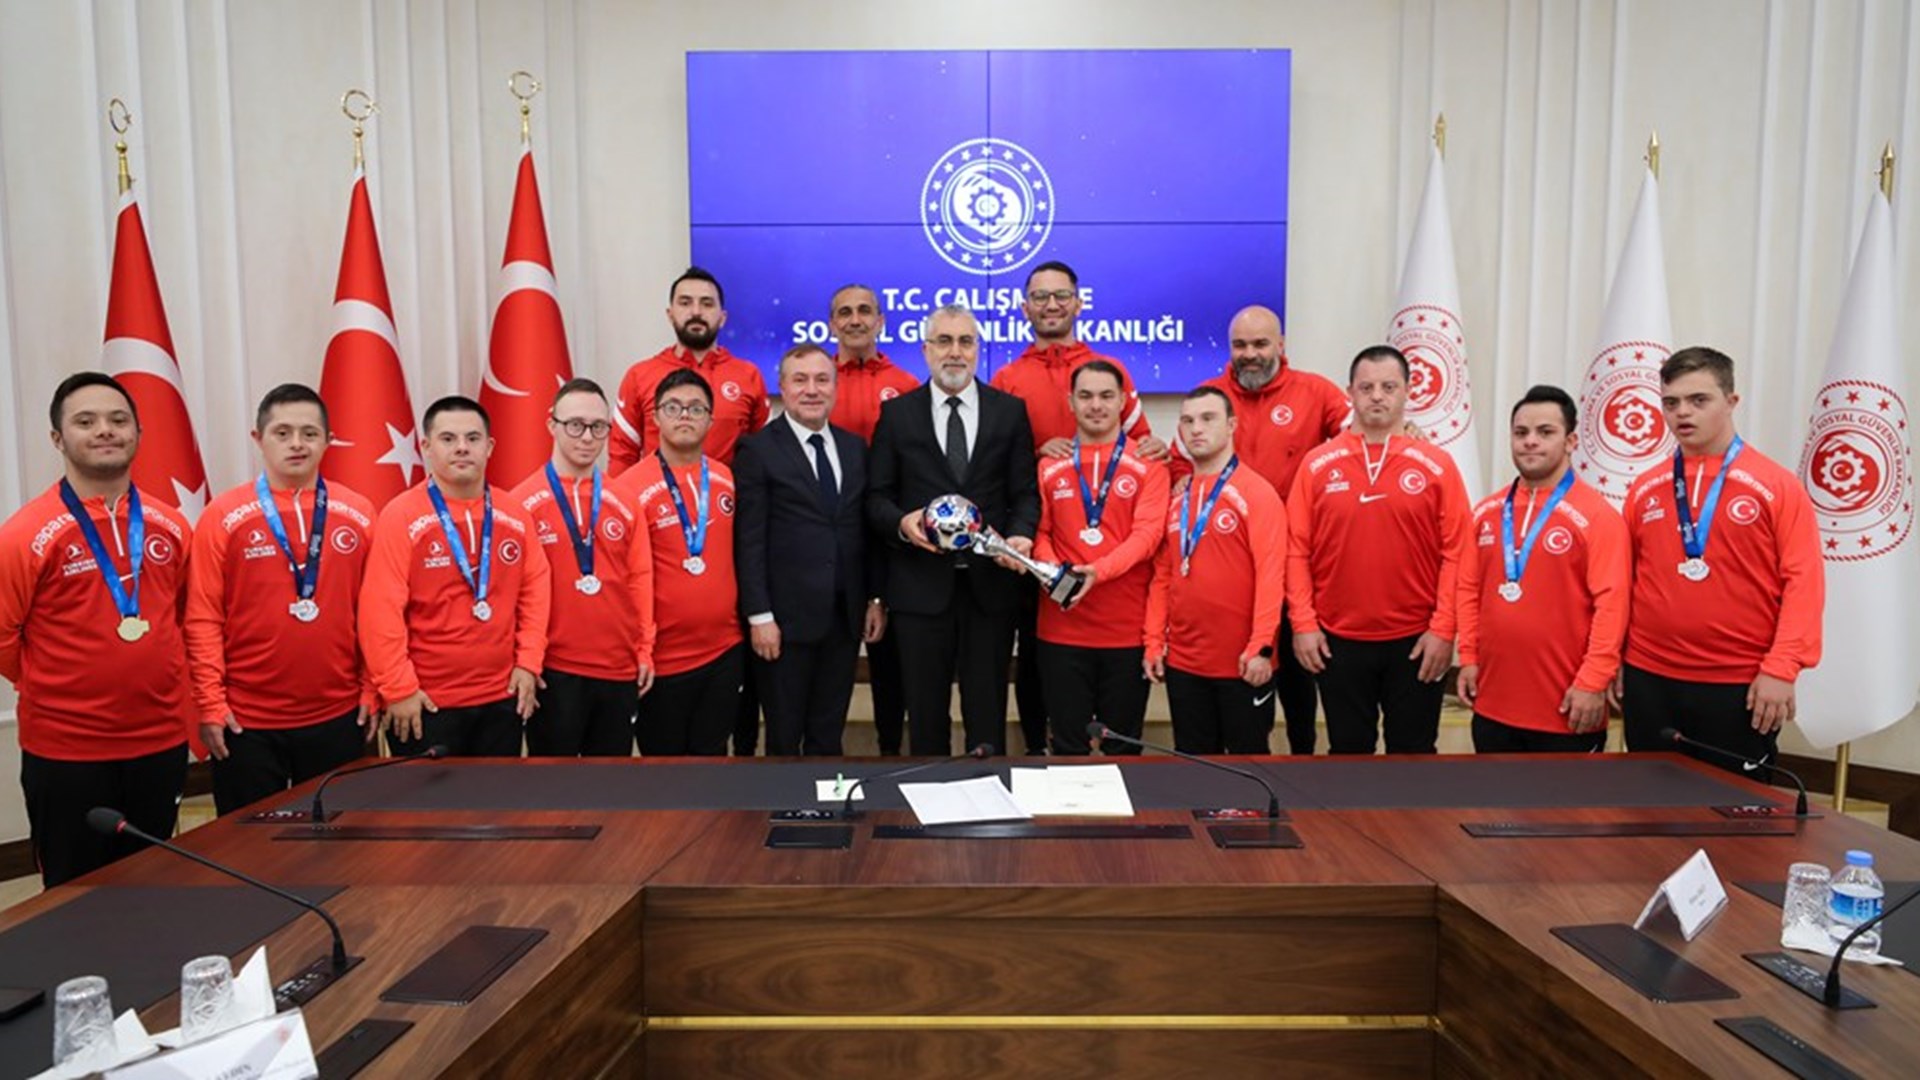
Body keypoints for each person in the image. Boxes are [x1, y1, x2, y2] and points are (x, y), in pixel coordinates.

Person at [0, 373, 193, 885]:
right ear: (58, 439)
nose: (105, 430)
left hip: (159, 743)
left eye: (118, 420)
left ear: (138, 433)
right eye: (85, 422)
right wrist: (57, 680)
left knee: (154, 882)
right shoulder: (24, 534)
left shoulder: (171, 524)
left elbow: (178, 616)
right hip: (68, 752)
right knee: (73, 893)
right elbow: (3, 637)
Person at [1615, 347, 1823, 771]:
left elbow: (1804, 582)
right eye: (1670, 403)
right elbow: (1624, 583)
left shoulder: (1776, 486)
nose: (1681, 413)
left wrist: (1781, 669)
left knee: (1735, 821)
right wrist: (1615, 660)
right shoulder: (1645, 487)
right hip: (1649, 678)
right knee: (1646, 810)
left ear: (1731, 402)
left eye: (1698, 400)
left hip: (1737, 683)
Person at [992, 260, 1168, 754]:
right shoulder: (1008, 377)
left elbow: (1140, 446)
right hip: (1038, 545)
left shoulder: (1110, 368)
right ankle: (1036, 749)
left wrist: (1157, 449)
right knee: (1037, 657)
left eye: (1061, 295)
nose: (1051, 305)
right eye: (1041, 297)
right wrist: (1037, 457)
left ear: (1078, 302)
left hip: (1108, 579)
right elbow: (1000, 462)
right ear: (1025, 307)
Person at [185, 384, 379, 815]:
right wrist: (211, 704)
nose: (297, 444)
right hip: (247, 722)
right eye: (283, 432)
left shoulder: (360, 512)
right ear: (258, 439)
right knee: (251, 851)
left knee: (340, 846)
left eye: (310, 433)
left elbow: (376, 614)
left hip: (340, 713)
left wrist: (371, 688)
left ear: (328, 440)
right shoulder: (223, 515)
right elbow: (202, 617)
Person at [867, 304, 1040, 756]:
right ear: (925, 350)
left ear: (978, 350)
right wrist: (903, 525)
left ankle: (990, 812)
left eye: (965, 341)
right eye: (944, 341)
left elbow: (1025, 493)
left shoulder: (1010, 412)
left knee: (987, 716)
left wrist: (1020, 536)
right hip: (920, 591)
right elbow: (876, 498)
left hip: (991, 589)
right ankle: (928, 814)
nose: (955, 352)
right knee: (924, 716)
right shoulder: (897, 415)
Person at [1183, 305, 1350, 754]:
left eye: (1260, 344)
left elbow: (1360, 434)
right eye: (1240, 345)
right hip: (1232, 570)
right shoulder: (1210, 396)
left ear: (1281, 345)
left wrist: (1405, 431)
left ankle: (1301, 757)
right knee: (1242, 689)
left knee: (1297, 677)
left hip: (1296, 563)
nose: (1250, 354)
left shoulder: (1316, 392)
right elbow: (1187, 467)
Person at [1288, 345, 1470, 755]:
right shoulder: (1317, 465)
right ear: (1349, 392)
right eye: (1366, 386)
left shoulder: (1437, 465)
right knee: (1349, 756)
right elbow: (1295, 550)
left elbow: (1458, 552)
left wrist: (1444, 630)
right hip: (1337, 640)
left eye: (1389, 386)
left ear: (1407, 392)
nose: (1377, 395)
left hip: (1417, 642)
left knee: (1414, 755)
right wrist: (1303, 623)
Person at [359, 396, 550, 756]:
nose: (462, 448)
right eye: (448, 439)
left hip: (501, 698)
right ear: (426, 447)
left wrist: (528, 663)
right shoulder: (400, 516)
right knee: (430, 814)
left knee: (495, 809)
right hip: (426, 704)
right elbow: (380, 611)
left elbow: (535, 593)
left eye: (473, 438)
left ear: (490, 446)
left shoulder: (514, 514)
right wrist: (398, 689)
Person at [1455, 386, 1628, 752]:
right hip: (1492, 707)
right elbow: (1468, 592)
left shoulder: (1598, 517)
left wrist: (1593, 682)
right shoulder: (1485, 513)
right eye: (1521, 433)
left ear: (1570, 441)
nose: (1530, 442)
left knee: (1561, 812)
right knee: (1493, 809)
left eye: (1545, 432)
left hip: (1567, 709)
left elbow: (1612, 608)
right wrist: (1468, 658)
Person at [735, 344, 882, 755]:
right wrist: (759, 615)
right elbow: (749, 541)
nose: (811, 390)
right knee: (784, 735)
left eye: (821, 380)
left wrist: (872, 597)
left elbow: (861, 532)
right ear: (782, 386)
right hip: (783, 622)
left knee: (827, 731)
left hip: (843, 616)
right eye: (800, 380)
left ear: (835, 388)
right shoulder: (757, 450)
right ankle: (786, 815)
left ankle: (828, 815)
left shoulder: (854, 449)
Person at [510, 379, 654, 757]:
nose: (587, 437)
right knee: (554, 791)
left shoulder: (625, 499)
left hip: (617, 670)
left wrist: (644, 650)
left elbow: (639, 580)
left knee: (609, 790)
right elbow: (513, 594)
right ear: (551, 424)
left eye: (598, 426)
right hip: (552, 672)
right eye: (575, 424)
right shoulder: (520, 503)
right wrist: (525, 661)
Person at [1034, 360, 1170, 755]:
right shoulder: (1049, 465)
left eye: (1107, 396)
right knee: (1066, 748)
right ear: (1070, 402)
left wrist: (1096, 571)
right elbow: (1039, 531)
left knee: (1123, 751)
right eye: (1086, 396)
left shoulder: (1150, 466)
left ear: (1124, 402)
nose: (1096, 405)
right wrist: (1052, 570)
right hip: (1060, 632)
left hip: (1125, 632)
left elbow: (1147, 536)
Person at [611, 370, 746, 756]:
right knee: (664, 769)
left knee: (714, 756)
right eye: (673, 407)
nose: (684, 415)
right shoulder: (628, 488)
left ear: (709, 419)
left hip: (724, 651)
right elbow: (622, 577)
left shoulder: (726, 479)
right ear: (655, 417)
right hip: (662, 661)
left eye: (696, 408)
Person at [1143, 387, 1285, 754]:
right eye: (1187, 421)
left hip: (1242, 664)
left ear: (1231, 425)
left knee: (1248, 770)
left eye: (1208, 419)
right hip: (1185, 666)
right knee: (1195, 770)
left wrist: (1262, 647)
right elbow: (1164, 576)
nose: (1196, 429)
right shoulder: (1178, 497)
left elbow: (1272, 575)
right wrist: (1154, 641)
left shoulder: (1256, 492)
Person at [826, 284, 919, 754]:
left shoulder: (904, 384)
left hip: (887, 535)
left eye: (865, 311)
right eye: (845, 312)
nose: (855, 319)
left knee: (890, 655)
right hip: (831, 537)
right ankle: (822, 751)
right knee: (833, 647)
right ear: (832, 324)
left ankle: (887, 748)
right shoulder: (818, 382)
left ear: (881, 321)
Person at [608, 266, 769, 473]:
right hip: (655, 501)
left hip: (729, 501)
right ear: (670, 314)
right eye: (685, 303)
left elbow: (763, 456)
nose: (696, 312)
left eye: (707, 304)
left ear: (722, 317)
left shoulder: (749, 376)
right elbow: (622, 455)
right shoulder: (639, 376)